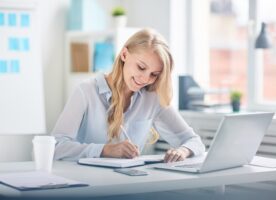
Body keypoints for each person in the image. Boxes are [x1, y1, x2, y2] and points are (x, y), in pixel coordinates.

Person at [52, 28, 205, 162]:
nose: (145, 79)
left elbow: (194, 141)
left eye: (154, 74)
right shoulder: (85, 91)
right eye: (141, 67)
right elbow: (56, 146)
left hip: (127, 184)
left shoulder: (152, 98)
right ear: (124, 54)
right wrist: (104, 150)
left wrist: (183, 151)